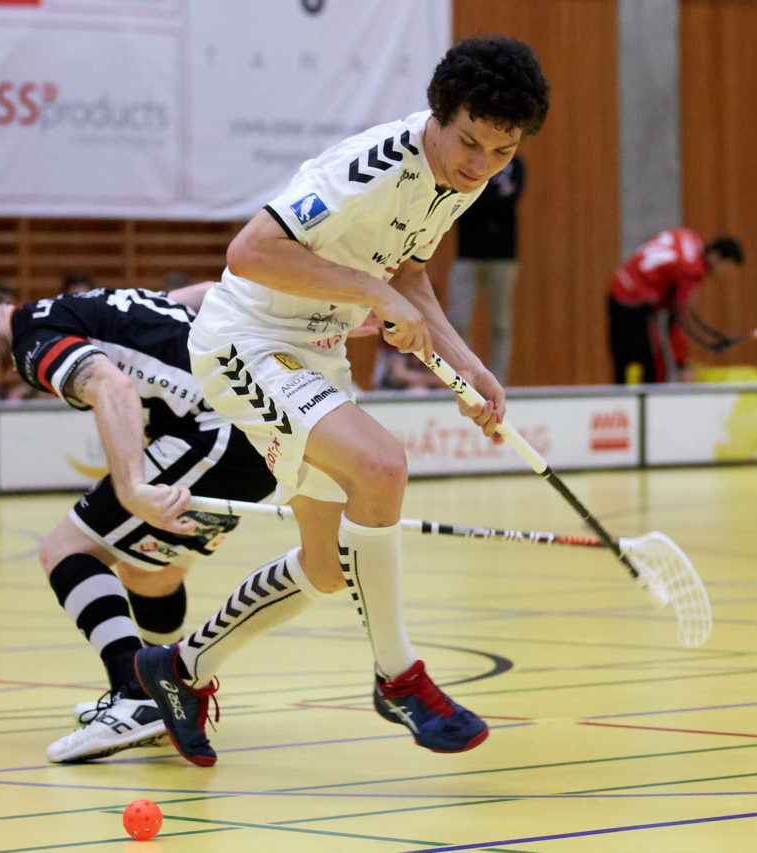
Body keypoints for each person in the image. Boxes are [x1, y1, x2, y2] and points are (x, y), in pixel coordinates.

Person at [133, 35, 550, 767]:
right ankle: (399, 677)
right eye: (470, 142)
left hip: (316, 349)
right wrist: (374, 294)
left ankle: (179, 668)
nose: (480, 164)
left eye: (502, 152)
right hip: (247, 341)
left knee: (326, 567)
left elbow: (410, 275)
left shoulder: (465, 179)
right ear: (439, 116)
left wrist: (467, 365)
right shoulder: (373, 167)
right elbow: (249, 252)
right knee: (382, 466)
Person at [0, 273, 277, 762]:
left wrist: (131, 487)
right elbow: (203, 292)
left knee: (64, 551)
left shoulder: (33, 340)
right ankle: (170, 690)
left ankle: (139, 696)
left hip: (217, 433)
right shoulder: (78, 308)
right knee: (149, 574)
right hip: (256, 430)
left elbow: (110, 385)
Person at [607, 229, 744, 384]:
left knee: (625, 360)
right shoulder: (692, 271)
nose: (723, 274)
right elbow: (679, 318)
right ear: (716, 256)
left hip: (618, 285)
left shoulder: (689, 236)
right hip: (633, 301)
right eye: (726, 267)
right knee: (650, 368)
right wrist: (682, 365)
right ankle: (647, 399)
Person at [445, 156, 524, 382]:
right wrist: (492, 198)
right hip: (467, 253)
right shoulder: (467, 161)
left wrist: (478, 199)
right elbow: (460, 199)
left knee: (501, 324)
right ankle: (467, 379)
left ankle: (497, 382)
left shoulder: (515, 166)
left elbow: (510, 200)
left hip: (503, 256)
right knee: (457, 319)